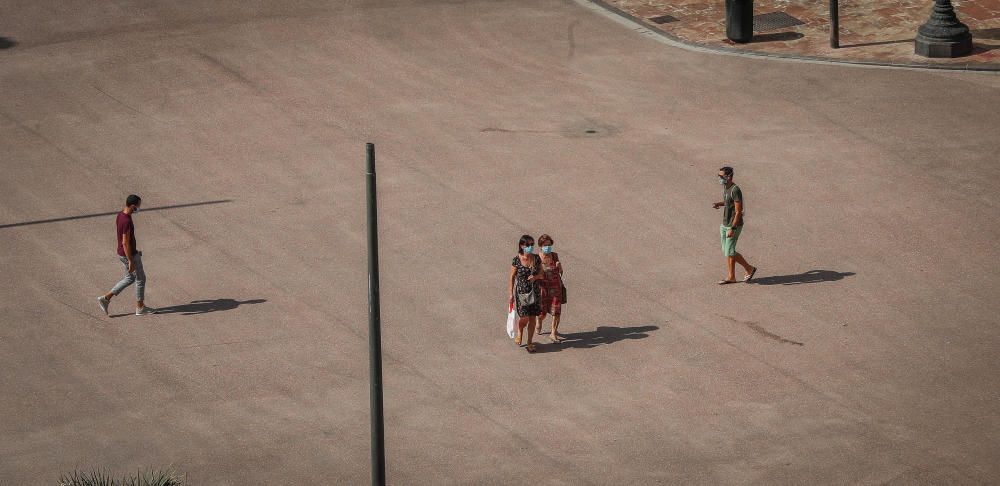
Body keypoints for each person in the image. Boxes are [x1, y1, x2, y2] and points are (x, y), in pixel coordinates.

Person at [97, 195, 157, 316]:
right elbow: (125, 242)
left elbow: (125, 241)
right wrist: (131, 260)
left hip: (124, 253)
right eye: (138, 206)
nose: (139, 208)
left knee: (130, 278)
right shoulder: (127, 221)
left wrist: (134, 251)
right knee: (141, 279)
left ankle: (106, 298)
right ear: (133, 206)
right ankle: (140, 308)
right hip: (128, 255)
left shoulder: (121, 215)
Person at [712, 167, 757, 284]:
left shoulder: (735, 190)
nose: (719, 178)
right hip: (724, 224)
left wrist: (733, 228)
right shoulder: (726, 187)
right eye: (719, 176)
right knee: (726, 250)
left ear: (729, 177)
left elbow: (738, 211)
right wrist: (719, 203)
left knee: (730, 251)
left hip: (733, 225)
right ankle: (731, 276)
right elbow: (728, 202)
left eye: (721, 177)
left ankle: (749, 268)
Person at [509, 234, 544, 353]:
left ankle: (529, 342)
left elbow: (542, 274)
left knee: (533, 318)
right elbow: (512, 277)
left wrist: (535, 277)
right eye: (528, 245)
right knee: (524, 317)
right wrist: (511, 294)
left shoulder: (536, 258)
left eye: (532, 245)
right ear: (521, 245)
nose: (530, 247)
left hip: (534, 293)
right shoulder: (516, 260)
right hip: (521, 294)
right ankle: (520, 331)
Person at [535, 234, 564, 342]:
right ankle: (539, 321)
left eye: (549, 245)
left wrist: (560, 267)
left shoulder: (555, 256)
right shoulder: (536, 258)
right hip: (542, 289)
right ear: (541, 246)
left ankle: (553, 333)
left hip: (555, 288)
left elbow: (561, 272)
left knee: (556, 311)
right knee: (542, 312)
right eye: (545, 245)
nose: (547, 247)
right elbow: (533, 274)